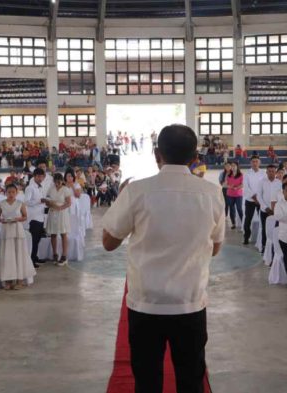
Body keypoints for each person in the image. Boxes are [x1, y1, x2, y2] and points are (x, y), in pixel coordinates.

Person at [102, 124, 224, 393]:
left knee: (147, 381)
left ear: (157, 154)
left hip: (146, 303)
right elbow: (215, 248)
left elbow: (108, 242)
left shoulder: (136, 191)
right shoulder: (212, 194)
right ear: (195, 157)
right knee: (190, 380)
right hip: (189, 303)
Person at [0, 184, 35, 290]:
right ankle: (8, 280)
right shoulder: (1, 204)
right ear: (5, 193)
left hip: (17, 230)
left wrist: (18, 219)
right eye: (9, 192)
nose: (11, 194)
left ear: (16, 193)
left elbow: (25, 216)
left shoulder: (20, 204)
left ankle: (20, 280)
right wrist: (2, 220)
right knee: (8, 255)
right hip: (6, 231)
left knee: (19, 254)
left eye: (13, 192)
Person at [46, 173, 72, 266]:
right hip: (52, 212)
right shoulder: (51, 189)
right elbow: (47, 200)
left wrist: (60, 208)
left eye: (59, 182)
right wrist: (49, 204)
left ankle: (64, 256)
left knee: (63, 233)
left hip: (62, 213)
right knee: (53, 234)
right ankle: (55, 254)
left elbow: (69, 203)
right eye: (56, 182)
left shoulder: (65, 189)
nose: (57, 184)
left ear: (62, 181)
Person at [25, 168, 49, 268]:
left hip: (40, 216)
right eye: (38, 176)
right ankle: (31, 259)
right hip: (33, 218)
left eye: (42, 176)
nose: (40, 178)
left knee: (38, 239)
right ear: (34, 176)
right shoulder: (30, 188)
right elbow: (26, 202)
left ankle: (34, 257)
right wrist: (40, 201)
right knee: (34, 240)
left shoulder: (40, 187)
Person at [258, 164, 282, 253]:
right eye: (269, 171)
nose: (271, 173)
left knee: (275, 230)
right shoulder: (262, 182)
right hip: (265, 210)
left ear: (275, 172)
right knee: (265, 230)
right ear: (266, 172)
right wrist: (266, 208)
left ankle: (275, 248)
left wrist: (276, 209)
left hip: (276, 211)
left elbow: (280, 197)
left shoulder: (279, 183)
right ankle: (264, 248)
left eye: (273, 171)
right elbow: (259, 196)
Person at [242, 156, 264, 245]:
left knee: (263, 220)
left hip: (261, 200)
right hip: (250, 200)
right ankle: (246, 237)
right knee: (248, 220)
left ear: (259, 163)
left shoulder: (263, 173)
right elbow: (246, 187)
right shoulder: (247, 173)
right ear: (250, 163)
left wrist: (259, 198)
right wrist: (254, 197)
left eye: (256, 161)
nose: (255, 163)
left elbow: (263, 186)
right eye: (253, 161)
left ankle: (262, 239)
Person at [225, 162, 243, 230]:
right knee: (232, 209)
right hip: (230, 194)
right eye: (232, 166)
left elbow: (243, 184)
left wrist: (237, 187)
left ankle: (242, 222)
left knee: (239, 209)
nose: (233, 167)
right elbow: (226, 184)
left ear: (237, 166)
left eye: (234, 166)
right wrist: (230, 186)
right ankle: (233, 223)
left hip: (238, 194)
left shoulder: (241, 175)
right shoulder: (228, 174)